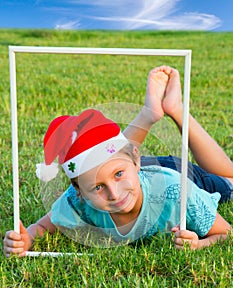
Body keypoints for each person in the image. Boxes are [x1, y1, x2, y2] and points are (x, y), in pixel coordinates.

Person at [3, 66, 233, 257]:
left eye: (117, 177)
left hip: (176, 174)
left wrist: (200, 243)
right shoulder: (76, 201)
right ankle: (148, 115)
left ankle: (176, 109)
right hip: (133, 170)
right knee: (111, 161)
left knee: (229, 179)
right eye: (98, 187)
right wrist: (28, 237)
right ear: (79, 192)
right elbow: (43, 226)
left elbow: (226, 232)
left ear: (137, 160)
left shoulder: (179, 194)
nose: (114, 194)